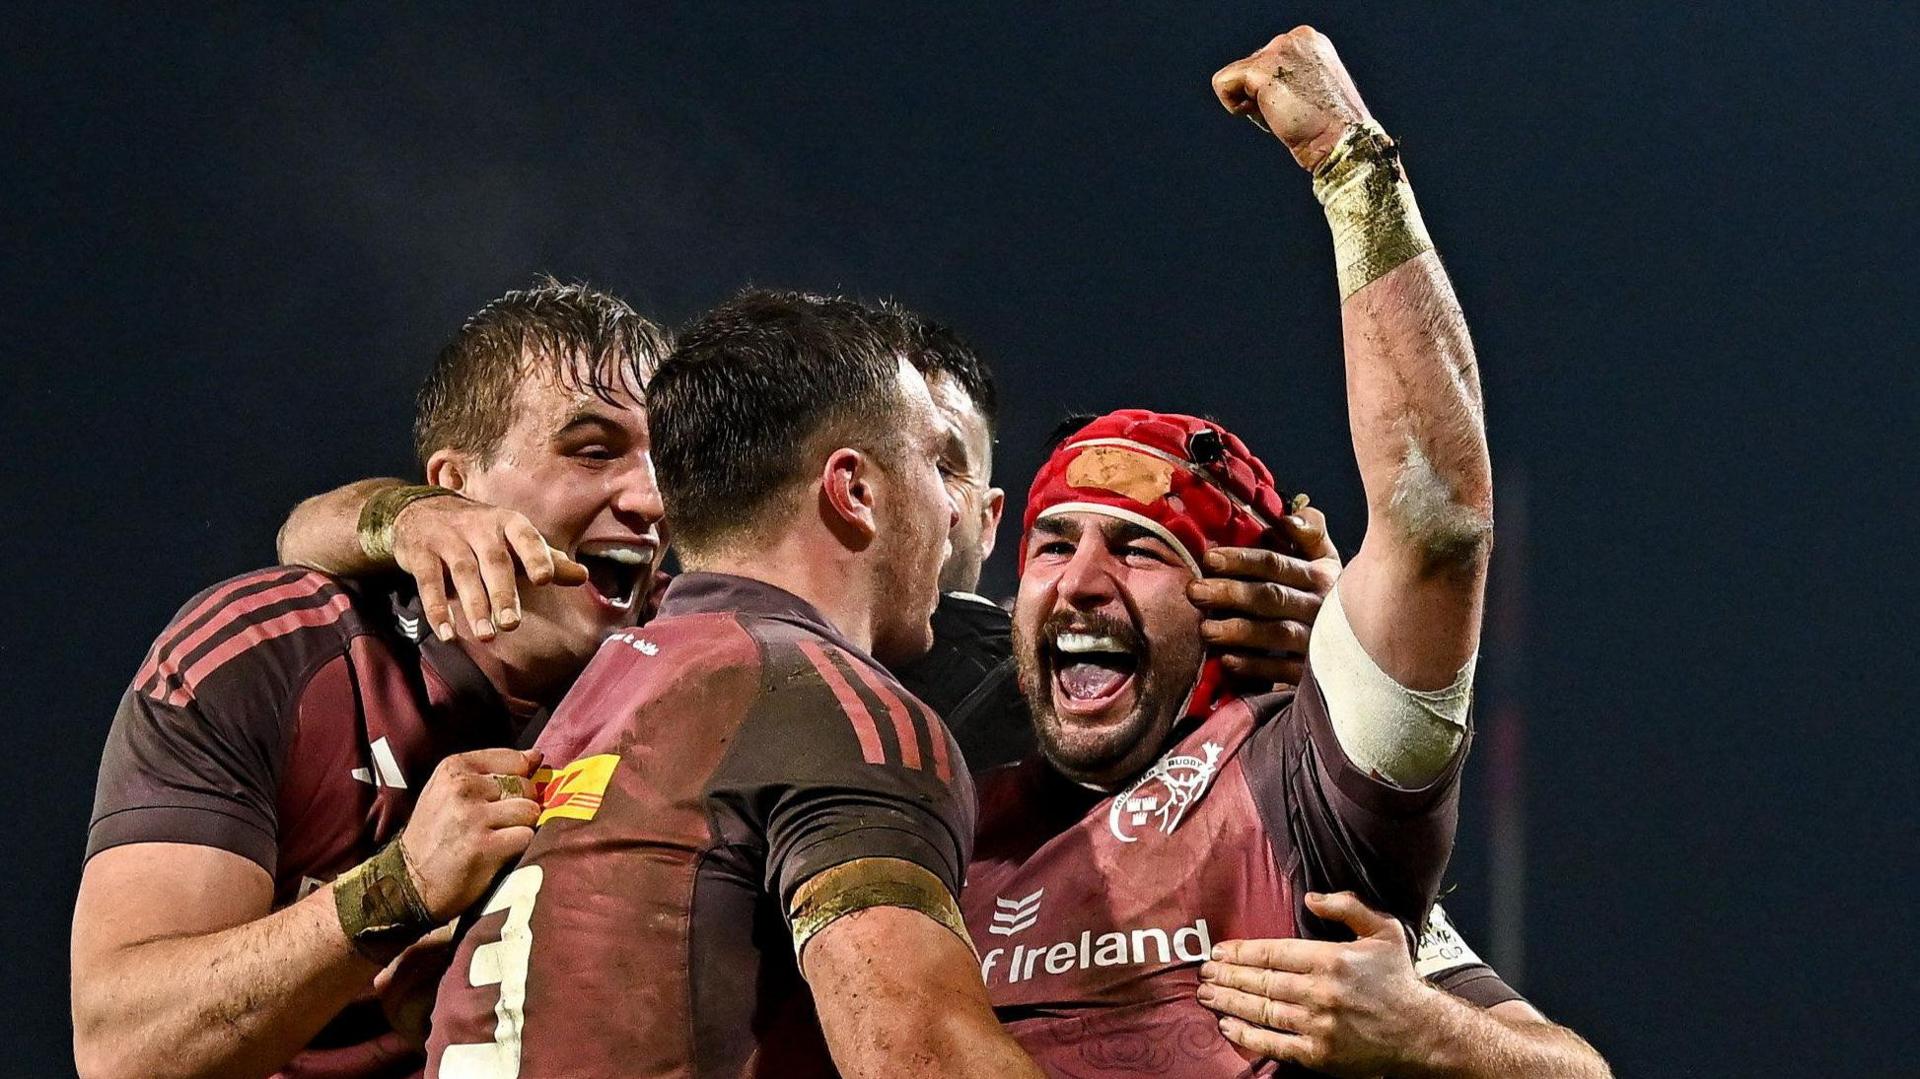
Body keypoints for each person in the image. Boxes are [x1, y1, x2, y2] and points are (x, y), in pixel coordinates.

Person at [952, 27, 1604, 1078]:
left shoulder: (1295, 780)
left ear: (1233, 596)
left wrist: (1351, 165)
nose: (1079, 580)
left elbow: (1437, 527)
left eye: (1141, 548)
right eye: (1052, 542)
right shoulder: (943, 809)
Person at [424, 289, 1040, 1077]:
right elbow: (918, 1054)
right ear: (855, 490)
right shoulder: (839, 705)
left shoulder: (597, 688)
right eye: (931, 462)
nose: (950, 516)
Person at [70, 279, 671, 1079]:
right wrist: (399, 890)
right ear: (456, 487)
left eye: (667, 459)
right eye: (592, 450)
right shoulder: (271, 654)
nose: (652, 498)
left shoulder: (691, 667)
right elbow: (121, 1049)